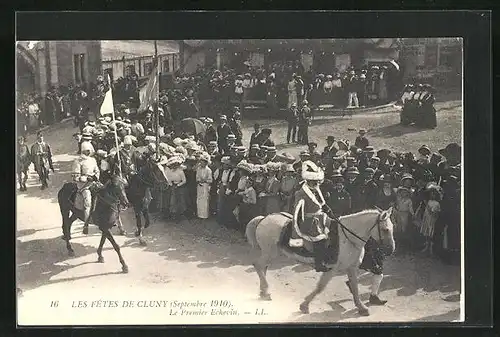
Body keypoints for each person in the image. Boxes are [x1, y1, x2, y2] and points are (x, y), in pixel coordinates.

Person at [290, 160, 331, 272]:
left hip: (321, 217)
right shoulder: (301, 193)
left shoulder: (316, 190)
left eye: (316, 181)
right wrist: (300, 223)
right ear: (307, 181)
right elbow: (297, 210)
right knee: (319, 240)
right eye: (313, 181)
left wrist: (326, 207)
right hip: (309, 219)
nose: (315, 183)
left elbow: (320, 203)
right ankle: (319, 264)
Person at [71, 141, 100, 234]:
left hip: (94, 182)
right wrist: (87, 178)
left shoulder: (93, 160)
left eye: (89, 150)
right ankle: (86, 224)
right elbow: (75, 176)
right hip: (84, 186)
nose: (88, 152)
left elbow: (97, 170)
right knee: (88, 203)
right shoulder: (78, 161)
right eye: (86, 150)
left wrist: (96, 176)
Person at [196, 153, 213, 219]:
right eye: (201, 162)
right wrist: (199, 180)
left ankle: (205, 215)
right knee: (199, 200)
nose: (201, 164)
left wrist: (205, 181)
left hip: (206, 187)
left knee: (205, 200)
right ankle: (199, 215)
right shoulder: (198, 169)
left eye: (203, 162)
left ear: (206, 163)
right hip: (199, 186)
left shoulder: (208, 170)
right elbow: (197, 177)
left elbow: (210, 180)